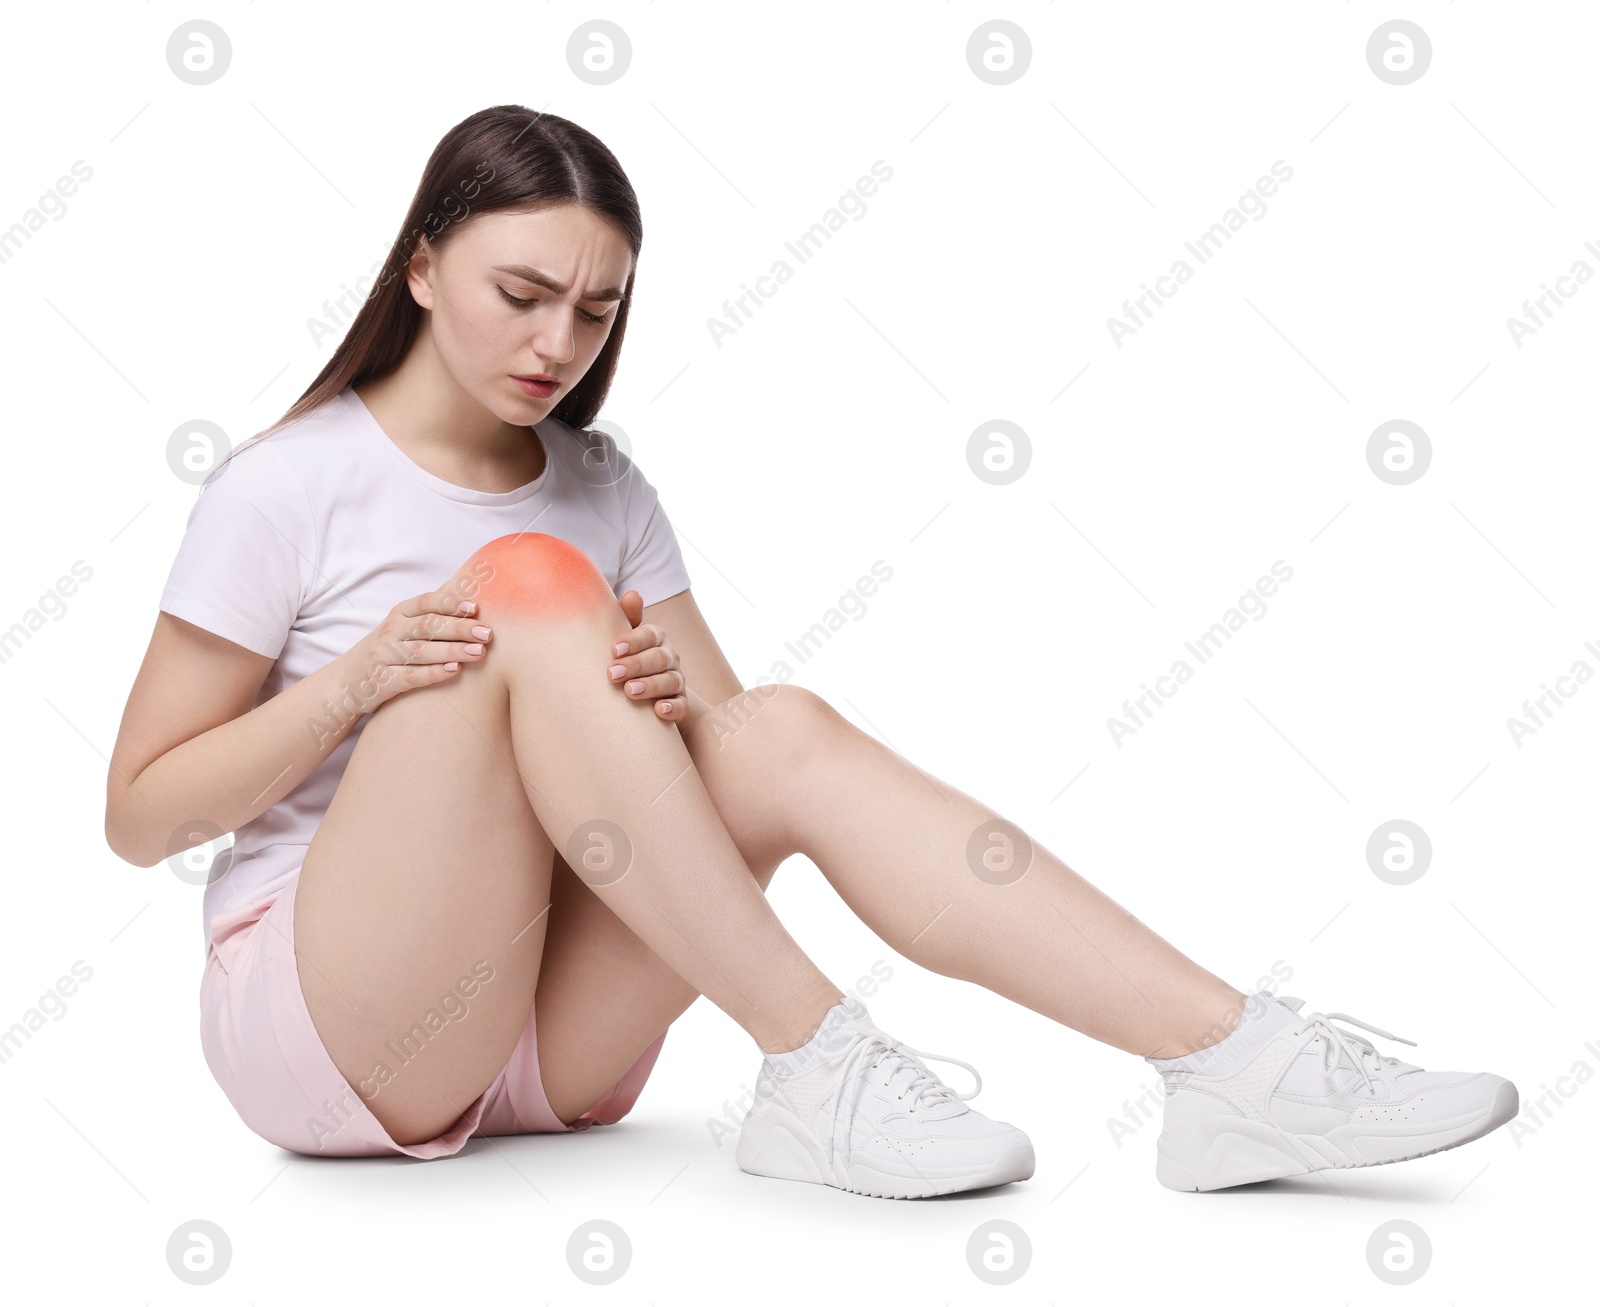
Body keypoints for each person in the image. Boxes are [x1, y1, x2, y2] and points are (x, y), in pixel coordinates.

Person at [104, 104, 1518, 1198]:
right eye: (521, 293)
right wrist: (361, 680)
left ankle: (1232, 1063)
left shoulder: (605, 483)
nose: (557, 344)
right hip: (338, 1030)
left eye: (596, 312)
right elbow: (137, 817)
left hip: (553, 1036)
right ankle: (817, 1062)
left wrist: (660, 707)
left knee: (773, 723)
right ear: (420, 264)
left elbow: (732, 769)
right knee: (526, 582)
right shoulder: (289, 483)